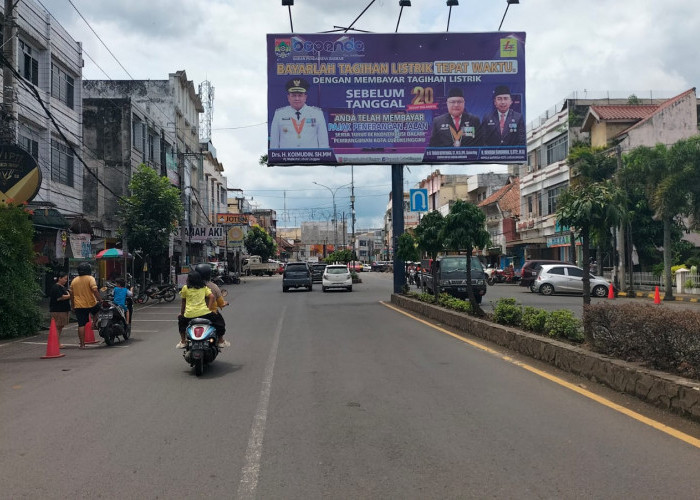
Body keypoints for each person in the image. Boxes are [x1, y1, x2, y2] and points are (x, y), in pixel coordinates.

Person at [269, 78, 329, 149]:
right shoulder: (279, 114)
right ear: (288, 97)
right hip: (286, 159)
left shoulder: (317, 114)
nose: (297, 98)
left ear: (305, 97)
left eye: (300, 95)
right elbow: (274, 144)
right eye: (293, 95)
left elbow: (323, 144)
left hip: (311, 159)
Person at [176, 270, 220, 349]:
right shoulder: (203, 288)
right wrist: (209, 309)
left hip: (189, 315)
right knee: (218, 321)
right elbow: (212, 297)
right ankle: (221, 340)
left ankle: (183, 341)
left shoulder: (185, 288)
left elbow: (183, 302)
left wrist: (182, 314)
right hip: (204, 314)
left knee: (181, 323)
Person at [195, 263, 230, 348]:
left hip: (193, 313)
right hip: (209, 314)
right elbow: (220, 303)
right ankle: (221, 340)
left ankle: (183, 340)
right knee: (221, 324)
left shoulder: (190, 286)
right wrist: (225, 303)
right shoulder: (213, 287)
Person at [69, 262, 101, 349]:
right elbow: (94, 290)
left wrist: (72, 305)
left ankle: (82, 344)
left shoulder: (74, 280)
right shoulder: (90, 278)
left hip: (79, 305)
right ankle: (94, 324)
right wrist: (100, 299)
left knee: (81, 324)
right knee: (98, 310)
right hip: (91, 303)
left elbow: (71, 294)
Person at [48, 272, 71, 346]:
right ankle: (56, 343)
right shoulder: (56, 287)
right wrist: (69, 295)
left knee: (60, 326)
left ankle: (57, 342)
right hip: (58, 310)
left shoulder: (62, 287)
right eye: (64, 279)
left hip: (63, 309)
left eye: (66, 279)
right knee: (57, 326)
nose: (66, 280)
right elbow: (60, 297)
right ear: (59, 278)